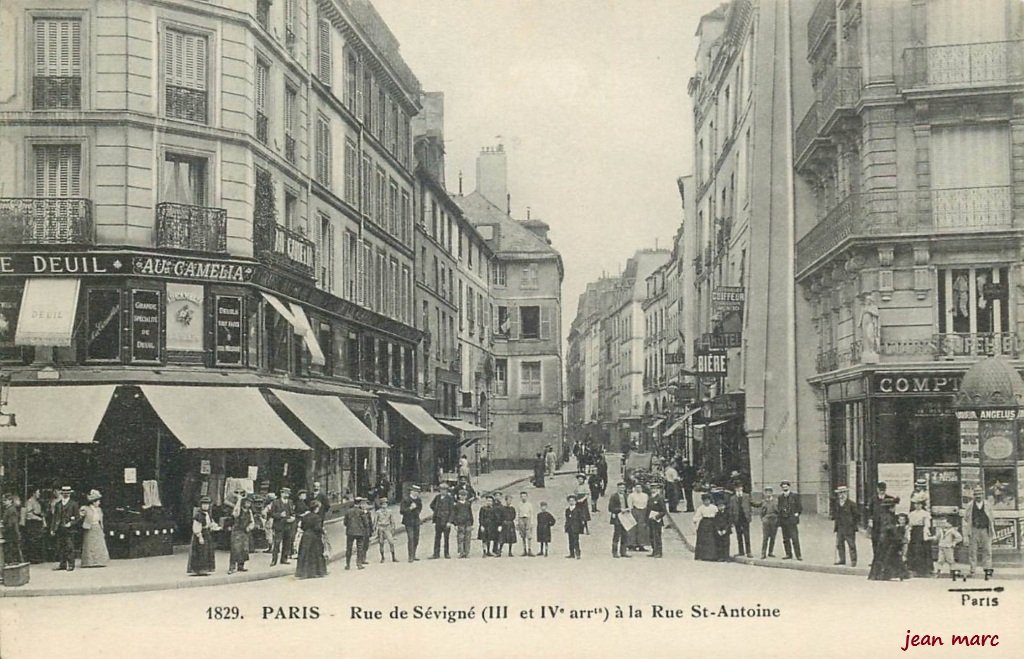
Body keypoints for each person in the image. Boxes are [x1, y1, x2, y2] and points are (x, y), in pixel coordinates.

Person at [963, 486, 995, 578]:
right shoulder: (970, 505)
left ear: (982, 495)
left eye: (979, 494)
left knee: (987, 550)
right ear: (973, 495)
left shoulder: (988, 505)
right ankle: (973, 570)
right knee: (972, 551)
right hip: (974, 530)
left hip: (985, 530)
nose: (978, 496)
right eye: (976, 494)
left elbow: (992, 517)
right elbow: (966, 517)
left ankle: (987, 570)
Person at [868, 495, 901, 581]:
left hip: (884, 539)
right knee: (887, 557)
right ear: (890, 508)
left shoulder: (883, 515)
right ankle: (883, 574)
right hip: (888, 539)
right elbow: (888, 527)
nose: (894, 509)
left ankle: (880, 574)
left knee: (882, 557)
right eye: (893, 507)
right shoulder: (888, 516)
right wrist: (896, 531)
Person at [295, 499, 328, 579]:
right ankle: (315, 572)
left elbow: (302, 527)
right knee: (315, 554)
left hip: (306, 536)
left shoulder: (305, 517)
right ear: (316, 508)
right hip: (314, 537)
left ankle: (303, 572)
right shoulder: (317, 517)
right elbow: (317, 528)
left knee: (305, 554)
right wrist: (323, 531)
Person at [187, 496, 220, 576]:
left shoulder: (208, 514)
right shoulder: (198, 515)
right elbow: (196, 526)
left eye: (207, 504)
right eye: (204, 504)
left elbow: (210, 523)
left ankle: (206, 568)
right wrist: (199, 536)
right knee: (201, 551)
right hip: (201, 534)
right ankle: (199, 569)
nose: (206, 506)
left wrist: (216, 527)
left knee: (207, 551)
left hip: (207, 533)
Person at [50, 486, 79, 572]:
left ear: (70, 493)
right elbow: (55, 518)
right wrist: (52, 529)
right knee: (60, 546)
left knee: (69, 546)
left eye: (67, 492)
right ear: (62, 493)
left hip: (70, 529)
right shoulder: (58, 504)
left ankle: (71, 564)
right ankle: (62, 564)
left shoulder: (74, 504)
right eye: (64, 492)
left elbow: (77, 517)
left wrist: (71, 523)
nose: (65, 494)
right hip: (60, 528)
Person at [79, 489, 109, 568]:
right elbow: (79, 517)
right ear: (94, 502)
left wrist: (102, 529)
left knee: (99, 544)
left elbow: (100, 520)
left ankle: (99, 561)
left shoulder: (99, 510)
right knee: (89, 545)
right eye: (98, 501)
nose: (99, 503)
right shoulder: (85, 508)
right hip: (89, 527)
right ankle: (89, 562)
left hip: (97, 527)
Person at [228, 494, 256, 574]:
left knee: (244, 549)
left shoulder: (249, 512)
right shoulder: (238, 510)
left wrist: (249, 527)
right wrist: (239, 500)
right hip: (237, 531)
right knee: (235, 549)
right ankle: (232, 567)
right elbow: (235, 514)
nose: (248, 504)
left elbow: (252, 521)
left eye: (249, 503)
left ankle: (241, 566)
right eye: (247, 502)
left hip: (245, 533)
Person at [906, 495, 933, 577]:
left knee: (922, 550)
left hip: (921, 532)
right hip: (914, 532)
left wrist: (926, 532)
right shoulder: (911, 514)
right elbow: (910, 524)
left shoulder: (925, 514)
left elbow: (927, 524)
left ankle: (924, 569)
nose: (917, 506)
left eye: (919, 504)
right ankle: (914, 568)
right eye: (916, 504)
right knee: (913, 549)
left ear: (922, 505)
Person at [832, 485, 859, 567]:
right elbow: (835, 514)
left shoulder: (851, 504)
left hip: (849, 528)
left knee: (851, 545)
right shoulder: (837, 504)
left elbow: (857, 515)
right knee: (839, 544)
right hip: (840, 527)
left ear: (846, 493)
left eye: (843, 493)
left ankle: (853, 561)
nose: (841, 495)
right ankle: (842, 559)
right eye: (839, 493)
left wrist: (853, 524)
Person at [269, 487, 296, 566]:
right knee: (277, 543)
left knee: (287, 543)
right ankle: (274, 560)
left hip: (288, 525)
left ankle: (284, 559)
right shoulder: (275, 502)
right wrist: (280, 515)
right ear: (281, 493)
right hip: (279, 526)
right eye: (285, 493)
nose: (286, 495)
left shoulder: (290, 502)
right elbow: (271, 514)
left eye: (288, 493)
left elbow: (293, 512)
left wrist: (293, 517)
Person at [344, 497, 371, 570]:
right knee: (360, 548)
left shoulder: (348, 511)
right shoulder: (361, 512)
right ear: (359, 503)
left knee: (349, 548)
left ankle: (347, 564)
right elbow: (366, 523)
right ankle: (359, 564)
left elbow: (345, 522)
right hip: (360, 532)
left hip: (350, 532)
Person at [777, 480, 802, 560]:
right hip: (784, 520)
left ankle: (798, 555)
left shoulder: (794, 496)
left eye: (786, 486)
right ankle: (788, 554)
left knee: (795, 538)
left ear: (789, 487)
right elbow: (779, 508)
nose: (785, 488)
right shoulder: (780, 497)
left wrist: (797, 513)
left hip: (792, 520)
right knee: (785, 539)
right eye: (783, 487)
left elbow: (799, 507)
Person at [429, 483, 455, 559]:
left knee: (446, 538)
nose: (443, 491)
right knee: (437, 537)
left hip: (446, 520)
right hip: (438, 520)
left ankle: (446, 553)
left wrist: (449, 521)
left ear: (447, 491)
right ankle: (436, 554)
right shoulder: (437, 497)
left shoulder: (450, 498)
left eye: (444, 490)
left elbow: (452, 511)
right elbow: (432, 505)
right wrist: (437, 512)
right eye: (441, 490)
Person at [866, 482, 889, 563]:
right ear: (877, 489)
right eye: (880, 490)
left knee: (885, 541)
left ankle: (883, 560)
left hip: (885, 524)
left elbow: (892, 512)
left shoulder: (889, 499)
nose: (882, 491)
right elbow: (869, 511)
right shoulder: (873, 499)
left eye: (883, 490)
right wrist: (870, 520)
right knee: (875, 541)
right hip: (875, 524)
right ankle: (876, 560)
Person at [21, 488, 45, 564]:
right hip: (32, 524)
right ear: (34, 493)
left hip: (37, 524)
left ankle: (37, 558)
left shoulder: (37, 502)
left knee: (37, 541)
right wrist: (38, 518)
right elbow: (28, 514)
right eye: (38, 492)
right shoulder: (30, 502)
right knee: (32, 541)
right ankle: (32, 558)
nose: (39, 494)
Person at [729, 480, 752, 558]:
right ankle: (741, 551)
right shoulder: (732, 498)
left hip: (745, 518)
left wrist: (749, 515)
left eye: (740, 487)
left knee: (747, 535)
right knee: (739, 536)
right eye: (737, 488)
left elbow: (750, 505)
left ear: (742, 488)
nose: (738, 489)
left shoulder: (746, 496)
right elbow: (731, 510)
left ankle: (748, 551)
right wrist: (731, 520)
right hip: (737, 518)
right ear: (735, 489)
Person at [400, 485, 423, 562]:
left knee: (416, 538)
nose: (416, 493)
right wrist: (410, 508)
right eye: (415, 491)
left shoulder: (418, 500)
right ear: (411, 491)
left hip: (416, 521)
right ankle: (410, 556)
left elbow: (420, 508)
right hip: (408, 521)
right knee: (411, 538)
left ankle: (414, 554)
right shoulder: (405, 500)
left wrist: (417, 512)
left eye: (417, 492)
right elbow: (402, 511)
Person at [693, 493, 718, 561]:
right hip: (704, 523)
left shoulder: (714, 507)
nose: (707, 502)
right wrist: (697, 522)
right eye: (705, 501)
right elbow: (696, 517)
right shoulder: (701, 508)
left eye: (708, 500)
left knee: (712, 539)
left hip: (712, 523)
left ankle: (712, 556)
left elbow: (717, 515)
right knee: (703, 540)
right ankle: (703, 555)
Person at [607, 482, 630, 558]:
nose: (622, 489)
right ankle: (615, 552)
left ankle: (623, 552)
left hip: (625, 517)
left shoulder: (626, 496)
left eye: (623, 488)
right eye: (620, 488)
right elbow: (610, 508)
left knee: (625, 535)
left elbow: (629, 505)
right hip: (617, 517)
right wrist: (620, 509)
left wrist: (628, 509)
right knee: (617, 535)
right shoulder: (614, 496)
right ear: (617, 488)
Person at [627, 483, 650, 551]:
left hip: (643, 512)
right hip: (634, 511)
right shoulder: (631, 495)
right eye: (636, 487)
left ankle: (641, 544)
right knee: (633, 528)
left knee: (642, 528)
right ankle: (632, 544)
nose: (638, 489)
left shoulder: (645, 495)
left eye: (639, 487)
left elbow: (647, 504)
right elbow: (630, 505)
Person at [374, 497, 398, 563]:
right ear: (381, 505)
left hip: (387, 528)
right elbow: (375, 521)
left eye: (386, 504)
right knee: (381, 543)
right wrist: (375, 529)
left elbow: (392, 520)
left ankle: (393, 557)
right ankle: (382, 557)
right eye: (383, 504)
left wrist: (393, 527)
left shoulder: (389, 511)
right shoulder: (378, 512)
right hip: (381, 528)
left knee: (391, 542)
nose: (384, 505)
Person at [452, 489, 474, 559]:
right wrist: (455, 524)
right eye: (461, 495)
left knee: (467, 538)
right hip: (460, 523)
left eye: (464, 495)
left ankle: (467, 552)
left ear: (466, 496)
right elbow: (454, 515)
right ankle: (461, 552)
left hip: (468, 523)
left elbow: (470, 514)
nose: (463, 497)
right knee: (460, 538)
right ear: (459, 496)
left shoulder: (468, 504)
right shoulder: (456, 505)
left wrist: (472, 523)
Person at [759, 485, 779, 558]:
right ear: (765, 493)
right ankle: (763, 553)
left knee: (773, 537)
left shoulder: (776, 501)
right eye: (766, 492)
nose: (768, 494)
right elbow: (761, 512)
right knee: (765, 537)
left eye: (769, 492)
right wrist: (763, 519)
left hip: (774, 520)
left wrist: (777, 519)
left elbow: (778, 511)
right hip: (766, 520)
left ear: (772, 493)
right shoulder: (763, 502)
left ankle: (770, 552)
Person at [647, 481, 667, 558]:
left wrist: (657, 517)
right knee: (651, 536)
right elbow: (648, 509)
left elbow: (663, 511)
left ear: (657, 489)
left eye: (655, 488)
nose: (653, 490)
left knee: (657, 536)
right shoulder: (650, 498)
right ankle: (654, 550)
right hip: (650, 519)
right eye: (652, 488)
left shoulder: (660, 498)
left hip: (657, 520)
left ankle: (659, 552)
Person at [2, 494, 23, 565]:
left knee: (11, 550)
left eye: (5, 500)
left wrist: (4, 529)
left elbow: (11, 524)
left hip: (11, 533)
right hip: (11, 533)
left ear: (10, 501)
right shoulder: (9, 509)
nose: (3, 502)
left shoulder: (11, 510)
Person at [564, 494, 585, 559]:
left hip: (576, 527)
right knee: (570, 541)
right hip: (569, 527)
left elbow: (581, 519)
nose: (571, 502)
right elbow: (567, 519)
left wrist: (581, 527)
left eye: (573, 501)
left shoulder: (578, 510)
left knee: (576, 541)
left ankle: (578, 553)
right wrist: (566, 526)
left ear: (575, 502)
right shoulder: (567, 510)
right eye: (570, 501)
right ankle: (571, 553)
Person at [516, 491, 535, 556]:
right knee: (523, 535)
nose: (523, 498)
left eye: (524, 496)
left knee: (529, 535)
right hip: (521, 519)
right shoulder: (519, 505)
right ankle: (524, 550)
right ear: (520, 497)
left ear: (527, 497)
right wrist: (517, 523)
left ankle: (529, 549)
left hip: (528, 519)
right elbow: (518, 514)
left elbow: (531, 513)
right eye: (522, 497)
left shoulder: (529, 505)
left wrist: (532, 522)